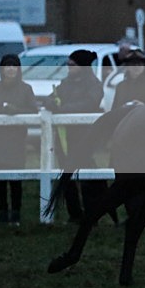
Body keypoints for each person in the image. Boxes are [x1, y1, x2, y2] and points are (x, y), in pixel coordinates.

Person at [48, 49, 115, 224]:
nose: (68, 68)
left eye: (72, 64)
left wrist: (61, 109)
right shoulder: (65, 83)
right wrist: (51, 104)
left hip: (85, 136)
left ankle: (93, 212)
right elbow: (51, 99)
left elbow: (89, 103)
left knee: (89, 178)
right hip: (65, 138)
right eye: (68, 64)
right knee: (67, 177)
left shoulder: (94, 84)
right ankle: (75, 214)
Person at [0, 54, 38, 226]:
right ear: (2, 69)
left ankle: (16, 213)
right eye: (7, 66)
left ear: (18, 69)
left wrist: (17, 110)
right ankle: (2, 212)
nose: (10, 69)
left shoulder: (26, 89)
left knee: (15, 177)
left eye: (14, 66)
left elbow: (34, 110)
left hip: (15, 139)